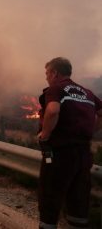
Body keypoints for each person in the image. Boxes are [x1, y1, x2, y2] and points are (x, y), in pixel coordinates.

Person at [37, 57, 102, 229]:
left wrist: (45, 134)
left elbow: (52, 110)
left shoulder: (56, 88)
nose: (46, 78)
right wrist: (92, 130)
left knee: (50, 196)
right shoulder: (86, 92)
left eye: (47, 74)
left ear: (54, 73)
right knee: (79, 197)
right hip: (83, 155)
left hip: (60, 154)